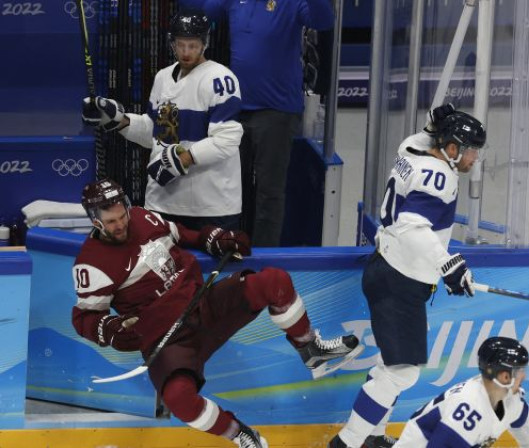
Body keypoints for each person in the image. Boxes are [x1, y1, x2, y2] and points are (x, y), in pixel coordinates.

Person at [71, 178, 362, 448]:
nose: (121, 224)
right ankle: (240, 434)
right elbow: (84, 319)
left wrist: (213, 238)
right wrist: (111, 330)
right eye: (111, 221)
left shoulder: (142, 217)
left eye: (122, 216)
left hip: (204, 302)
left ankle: (310, 348)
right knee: (178, 399)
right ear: (95, 221)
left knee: (274, 282)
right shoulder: (91, 264)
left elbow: (182, 235)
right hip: (167, 339)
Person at [328, 107, 487, 448]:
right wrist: (450, 264)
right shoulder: (439, 177)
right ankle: (347, 443)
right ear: (452, 148)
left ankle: (371, 438)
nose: (476, 158)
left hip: (388, 268)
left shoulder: (411, 147)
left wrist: (437, 124)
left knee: (392, 366)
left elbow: (427, 133)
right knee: (403, 372)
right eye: (472, 149)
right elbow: (412, 226)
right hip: (399, 280)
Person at [182, 0, 335, 246]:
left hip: (276, 112)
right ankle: (225, 247)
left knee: (269, 192)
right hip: (234, 109)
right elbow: (198, 9)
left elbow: (323, 20)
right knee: (225, 187)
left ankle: (265, 258)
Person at [81, 10, 243, 231]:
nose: (185, 52)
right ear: (172, 43)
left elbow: (227, 139)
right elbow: (155, 132)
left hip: (210, 207)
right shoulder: (163, 77)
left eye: (193, 45)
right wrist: (119, 121)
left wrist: (185, 159)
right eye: (180, 45)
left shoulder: (220, 79)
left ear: (205, 44)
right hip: (161, 202)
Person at [394, 337, 529, 448]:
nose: (524, 376)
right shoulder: (467, 407)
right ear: (504, 376)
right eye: (520, 370)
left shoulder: (513, 402)